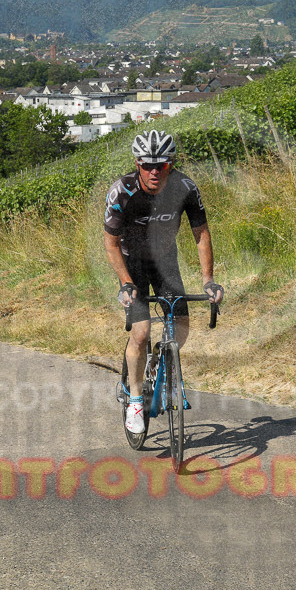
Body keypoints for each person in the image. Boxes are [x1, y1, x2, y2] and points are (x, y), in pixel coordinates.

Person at [104, 129, 225, 434]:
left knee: (181, 326)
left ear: (172, 163)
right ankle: (134, 399)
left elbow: (201, 234)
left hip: (165, 260)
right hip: (132, 263)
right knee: (141, 333)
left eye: (162, 165)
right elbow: (111, 243)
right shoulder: (122, 191)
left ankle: (160, 359)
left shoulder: (185, 187)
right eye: (148, 165)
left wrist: (208, 280)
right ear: (137, 163)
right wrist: (126, 283)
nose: (155, 171)